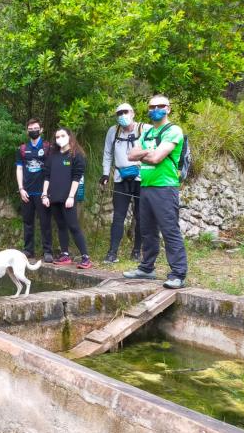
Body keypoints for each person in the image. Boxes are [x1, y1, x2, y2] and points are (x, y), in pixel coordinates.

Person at [124, 95, 188, 289]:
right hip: (146, 186)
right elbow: (130, 155)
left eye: (160, 106)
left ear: (168, 108)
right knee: (147, 230)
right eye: (152, 107)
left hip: (165, 187)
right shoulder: (148, 132)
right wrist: (147, 153)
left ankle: (178, 274)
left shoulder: (173, 130)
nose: (155, 109)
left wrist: (144, 154)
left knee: (169, 230)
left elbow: (157, 158)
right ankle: (146, 268)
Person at [100, 103, 149, 263]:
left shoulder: (145, 129)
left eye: (125, 112)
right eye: (119, 113)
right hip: (120, 178)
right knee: (118, 216)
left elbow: (154, 150)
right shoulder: (113, 131)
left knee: (141, 216)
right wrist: (105, 173)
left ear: (133, 113)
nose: (122, 115)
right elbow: (108, 153)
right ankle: (112, 252)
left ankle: (137, 251)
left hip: (142, 178)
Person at [42, 127, 92, 269]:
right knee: (61, 226)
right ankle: (65, 254)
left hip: (68, 198)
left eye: (62, 135)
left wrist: (71, 196)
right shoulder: (52, 155)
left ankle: (85, 257)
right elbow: (47, 176)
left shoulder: (77, 155)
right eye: (57, 137)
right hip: (53, 197)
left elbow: (77, 177)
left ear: (69, 136)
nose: (59, 139)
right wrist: (44, 194)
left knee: (73, 226)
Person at [16, 118, 53, 263]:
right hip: (27, 192)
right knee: (28, 222)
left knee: (45, 222)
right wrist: (21, 189)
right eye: (30, 129)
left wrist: (46, 192)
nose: (33, 131)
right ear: (27, 131)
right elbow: (19, 168)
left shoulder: (48, 147)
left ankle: (47, 251)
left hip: (42, 192)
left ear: (41, 129)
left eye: (36, 128)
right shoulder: (22, 149)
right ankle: (28, 250)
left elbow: (50, 170)